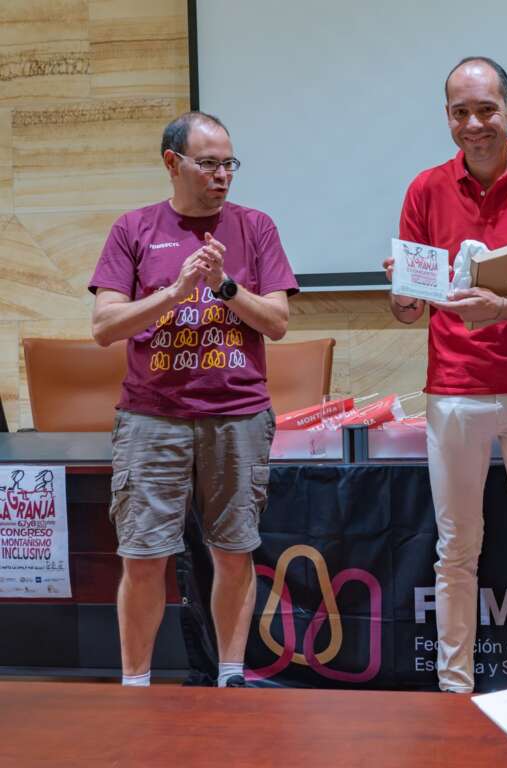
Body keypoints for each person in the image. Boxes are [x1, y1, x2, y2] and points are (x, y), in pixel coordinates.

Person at [383, 57, 507, 692]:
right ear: (447, 117)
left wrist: (504, 307)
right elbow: (406, 310)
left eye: (486, 110)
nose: (475, 123)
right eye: (461, 112)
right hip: (454, 393)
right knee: (455, 555)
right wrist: (403, 291)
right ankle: (454, 690)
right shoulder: (424, 189)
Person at [89, 111, 299, 688]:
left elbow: (277, 322)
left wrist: (223, 287)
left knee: (234, 551)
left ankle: (231, 675)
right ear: (172, 163)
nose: (222, 175)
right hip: (151, 417)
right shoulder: (134, 228)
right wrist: (176, 291)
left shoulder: (256, 227)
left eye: (228, 163)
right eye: (208, 163)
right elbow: (105, 326)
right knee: (144, 555)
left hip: (237, 415)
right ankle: (136, 684)